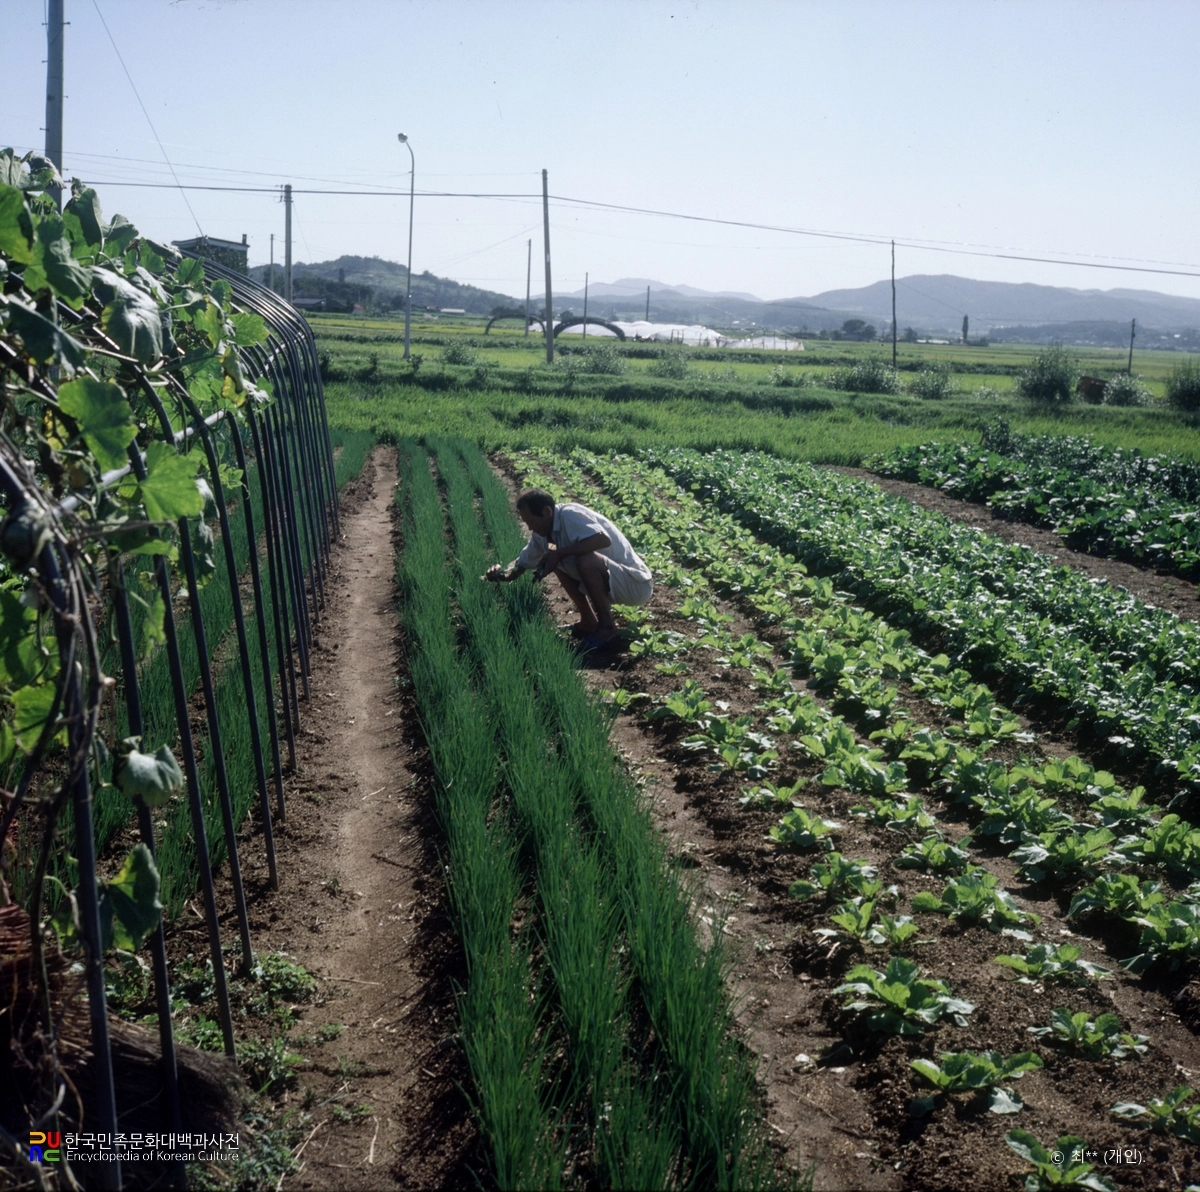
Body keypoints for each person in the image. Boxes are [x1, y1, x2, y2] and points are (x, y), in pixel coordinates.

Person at [485, 488, 653, 647]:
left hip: (634, 584)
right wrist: (500, 574)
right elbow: (523, 562)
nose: (529, 528)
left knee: (583, 560)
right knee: (553, 559)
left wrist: (559, 554)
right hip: (611, 582)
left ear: (547, 512)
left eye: (531, 521)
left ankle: (607, 627)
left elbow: (602, 539)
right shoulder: (544, 534)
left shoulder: (570, 514)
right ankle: (589, 622)